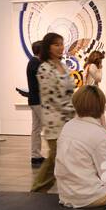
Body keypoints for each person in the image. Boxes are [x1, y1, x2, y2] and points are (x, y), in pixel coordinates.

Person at [30, 32, 75, 192]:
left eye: (61, 44)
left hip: (69, 121)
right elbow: (53, 98)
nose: (60, 47)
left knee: (64, 157)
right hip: (54, 121)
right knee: (56, 157)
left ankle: (70, 189)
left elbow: (70, 92)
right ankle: (38, 189)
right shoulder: (44, 68)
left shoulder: (64, 66)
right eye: (56, 44)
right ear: (48, 47)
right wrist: (74, 110)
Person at [25, 39, 45, 168]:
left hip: (34, 100)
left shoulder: (33, 62)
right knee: (48, 127)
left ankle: (35, 156)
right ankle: (36, 155)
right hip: (38, 101)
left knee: (36, 129)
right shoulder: (36, 63)